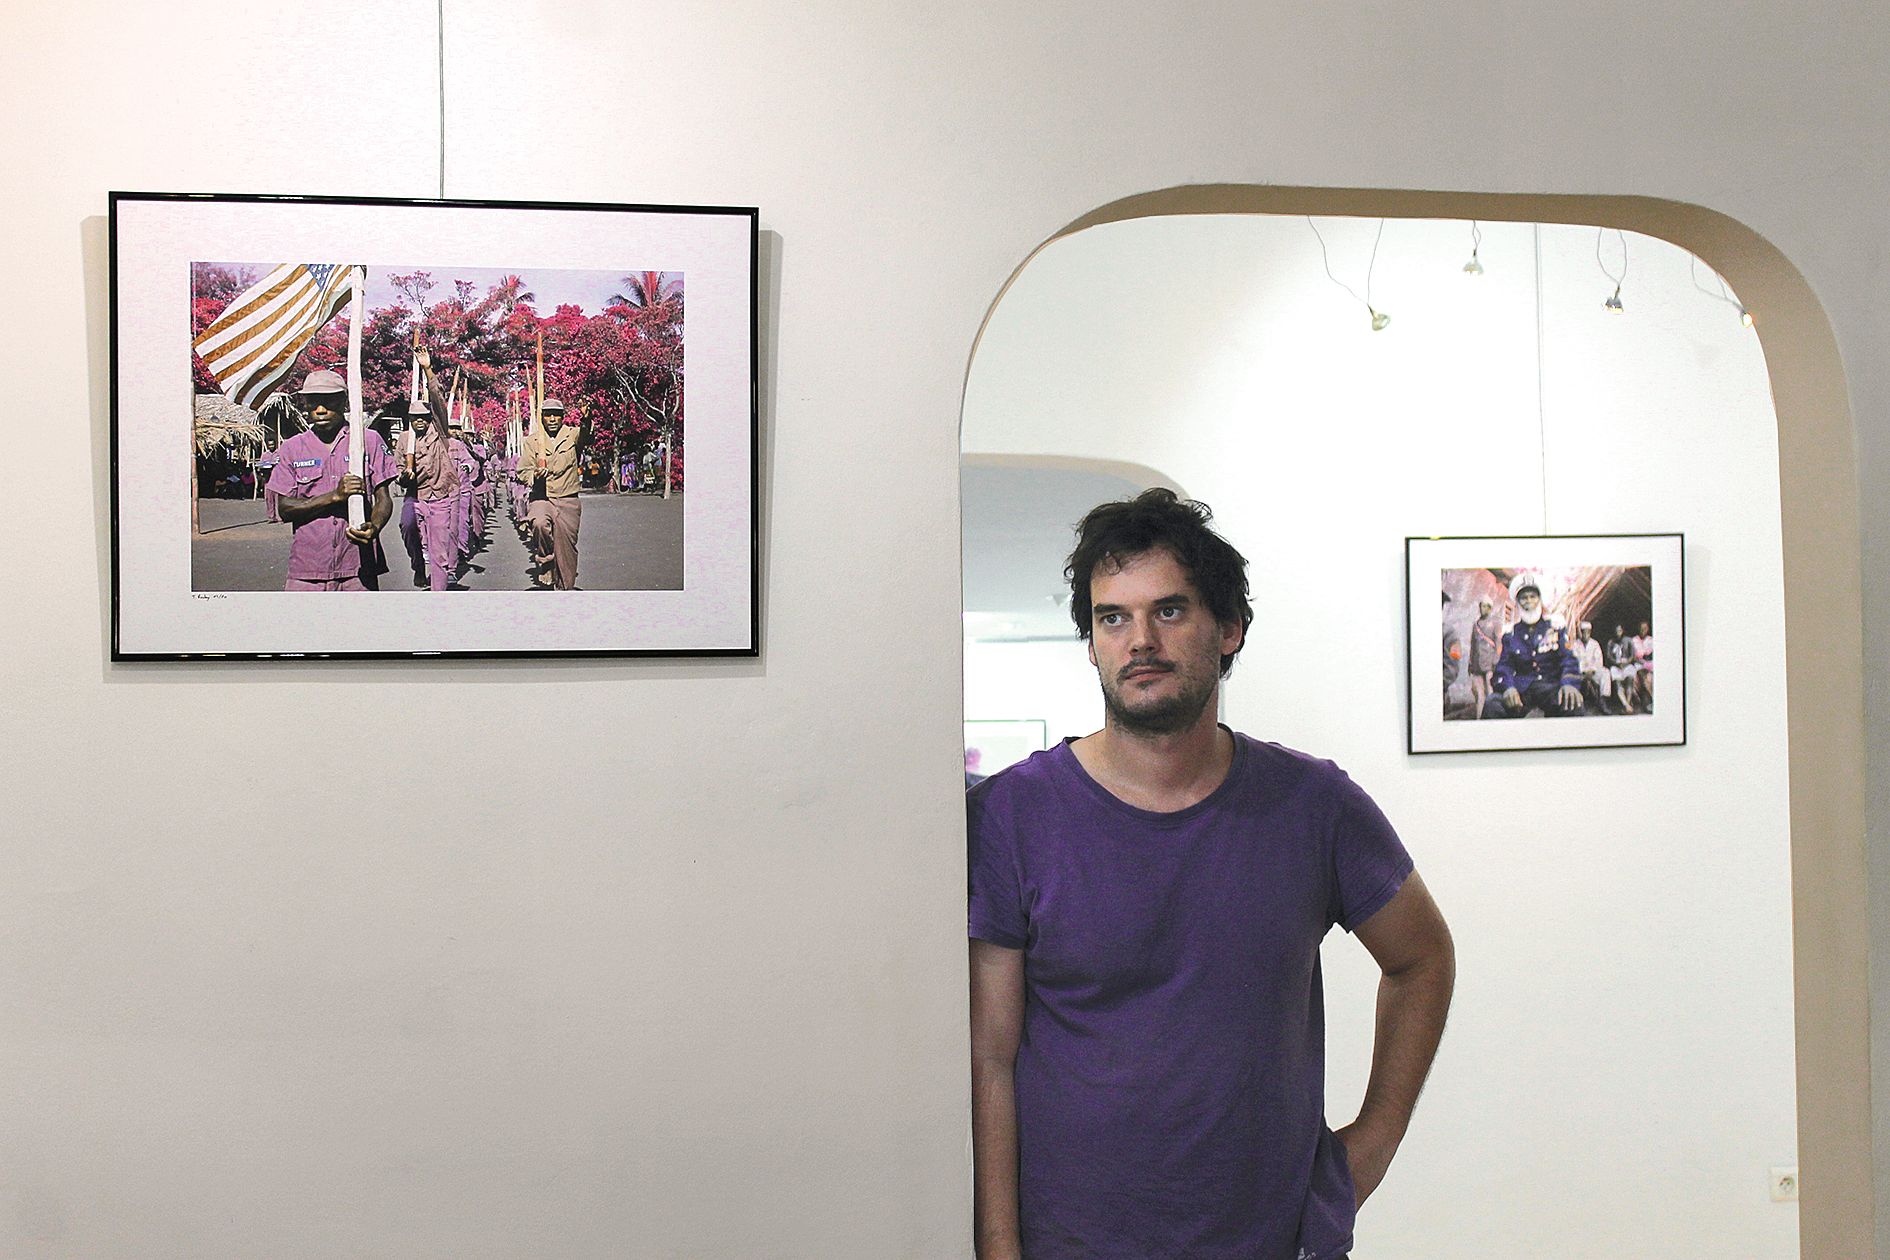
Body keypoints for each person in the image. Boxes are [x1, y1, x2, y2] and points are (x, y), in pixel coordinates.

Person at [968, 489, 1454, 1260]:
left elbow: (1422, 956)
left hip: (1273, 1238)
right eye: (1112, 618)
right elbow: (989, 1059)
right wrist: (998, 1247)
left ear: (1228, 629)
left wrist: (1373, 1144)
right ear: (1091, 643)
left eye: (1169, 611)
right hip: (1071, 1242)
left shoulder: (1313, 806)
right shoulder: (1010, 816)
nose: (1139, 640)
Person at [265, 369, 397, 591]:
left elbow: (383, 499)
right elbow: (285, 509)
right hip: (308, 568)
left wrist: (374, 526)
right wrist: (334, 496)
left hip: (358, 567)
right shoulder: (292, 448)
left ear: (344, 401)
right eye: (313, 402)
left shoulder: (369, 441)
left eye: (329, 401)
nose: (320, 410)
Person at [396, 365, 462, 591]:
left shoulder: (440, 433)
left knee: (439, 550)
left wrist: (427, 369)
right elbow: (398, 471)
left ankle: (438, 593)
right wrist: (405, 476)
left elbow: (438, 402)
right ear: (410, 419)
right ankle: (417, 565)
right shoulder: (404, 439)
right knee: (407, 525)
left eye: (424, 417)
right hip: (414, 495)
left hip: (439, 497)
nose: (420, 421)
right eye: (415, 418)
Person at [1481, 572, 1583, 718]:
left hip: (1551, 688)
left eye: (1532, 597)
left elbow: (1568, 659)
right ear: (1518, 603)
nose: (1528, 601)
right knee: (1492, 704)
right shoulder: (1511, 635)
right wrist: (1508, 687)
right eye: (1523, 598)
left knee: (1573, 703)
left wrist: (1569, 683)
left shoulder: (1555, 628)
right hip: (1522, 691)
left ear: (1539, 600)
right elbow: (1504, 667)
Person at [519, 398, 590, 590]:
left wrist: (586, 419)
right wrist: (534, 474)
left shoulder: (572, 435)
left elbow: (586, 437)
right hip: (542, 497)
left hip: (568, 498)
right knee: (539, 523)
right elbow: (523, 470)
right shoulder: (533, 441)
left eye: (556, 415)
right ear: (541, 417)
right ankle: (547, 560)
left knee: (567, 550)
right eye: (548, 415)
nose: (552, 419)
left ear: (562, 417)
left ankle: (564, 589)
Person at [1468, 596, 1501, 720]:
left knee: (1490, 693)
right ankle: (1479, 719)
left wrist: (1496, 661)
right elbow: (1473, 644)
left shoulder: (1495, 623)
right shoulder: (1476, 624)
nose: (1484, 609)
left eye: (1487, 606)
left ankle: (1491, 719)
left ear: (1490, 608)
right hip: (1477, 664)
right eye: (1482, 606)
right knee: (1479, 695)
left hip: (1490, 664)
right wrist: (1470, 663)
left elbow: (1498, 643)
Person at [1572, 620, 1610, 713]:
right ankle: (1578, 704)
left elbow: (1599, 661)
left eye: (1587, 632)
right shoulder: (1575, 644)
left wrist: (1592, 670)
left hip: (1593, 672)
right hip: (1580, 672)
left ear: (1590, 632)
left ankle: (1603, 700)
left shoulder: (1595, 644)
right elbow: (1574, 660)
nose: (1585, 635)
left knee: (1605, 672)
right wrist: (1583, 671)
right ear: (1580, 633)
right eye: (1583, 632)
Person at [1607, 623, 1639, 715]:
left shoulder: (1628, 640)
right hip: (1616, 666)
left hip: (1627, 665)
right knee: (1617, 682)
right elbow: (1609, 657)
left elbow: (1632, 655)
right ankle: (1626, 705)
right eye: (1616, 631)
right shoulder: (1611, 642)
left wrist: (1626, 662)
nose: (1618, 633)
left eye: (1620, 631)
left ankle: (1628, 703)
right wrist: (1616, 663)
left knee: (1629, 679)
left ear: (1623, 631)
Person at [1631, 620, 1655, 711]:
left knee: (1650, 677)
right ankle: (1649, 700)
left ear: (1648, 629)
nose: (1643, 630)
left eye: (1645, 628)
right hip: (1639, 665)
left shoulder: (1651, 640)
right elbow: (1633, 656)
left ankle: (1651, 700)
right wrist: (1641, 660)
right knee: (1642, 675)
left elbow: (1652, 655)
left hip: (1650, 664)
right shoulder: (1634, 640)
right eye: (1641, 628)